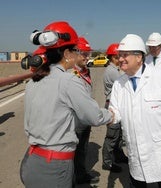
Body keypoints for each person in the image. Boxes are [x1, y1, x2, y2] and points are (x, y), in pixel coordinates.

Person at [19, 21, 113, 188]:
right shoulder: (68, 80)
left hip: (31, 161)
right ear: (67, 53)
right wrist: (111, 115)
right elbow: (93, 116)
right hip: (55, 167)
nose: (78, 55)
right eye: (76, 51)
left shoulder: (34, 81)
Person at [109, 34, 161, 188]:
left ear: (138, 57)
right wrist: (106, 116)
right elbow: (115, 111)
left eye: (125, 55)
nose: (120, 59)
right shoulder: (119, 83)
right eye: (119, 55)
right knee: (138, 181)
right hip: (136, 148)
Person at [72, 37, 100, 185]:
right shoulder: (70, 74)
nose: (87, 57)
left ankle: (81, 174)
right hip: (75, 122)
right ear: (74, 53)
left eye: (88, 53)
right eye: (84, 53)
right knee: (72, 153)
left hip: (85, 120)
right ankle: (71, 179)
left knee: (82, 150)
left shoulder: (85, 70)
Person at [102, 43, 128, 173]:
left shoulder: (115, 69)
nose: (121, 59)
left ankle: (119, 156)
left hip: (117, 105)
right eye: (118, 56)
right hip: (112, 106)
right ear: (112, 57)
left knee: (119, 135)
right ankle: (107, 162)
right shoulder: (112, 71)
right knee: (112, 136)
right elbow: (126, 83)